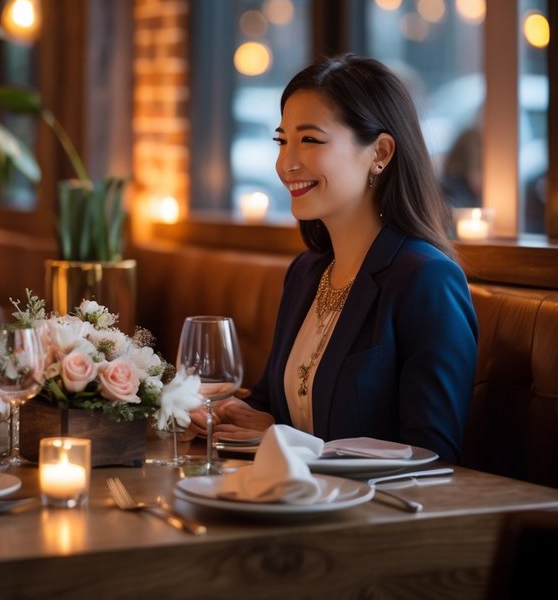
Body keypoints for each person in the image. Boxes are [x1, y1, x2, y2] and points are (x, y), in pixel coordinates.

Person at [194, 54, 478, 463]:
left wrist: (289, 443)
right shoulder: (306, 272)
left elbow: (432, 455)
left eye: (310, 140)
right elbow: (273, 407)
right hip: (294, 496)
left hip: (382, 504)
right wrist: (215, 414)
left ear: (380, 152)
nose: (286, 163)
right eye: (282, 141)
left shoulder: (426, 279)